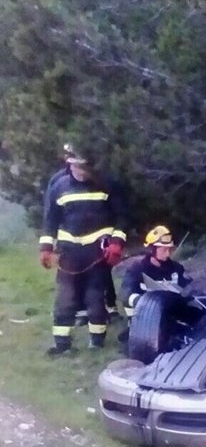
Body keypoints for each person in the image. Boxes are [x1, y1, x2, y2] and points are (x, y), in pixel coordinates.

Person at [39, 146, 127, 354]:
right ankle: (61, 345)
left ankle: (96, 342)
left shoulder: (106, 184)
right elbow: (50, 220)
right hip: (69, 252)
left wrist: (116, 242)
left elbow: (122, 217)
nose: (84, 172)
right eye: (79, 167)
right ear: (70, 163)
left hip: (97, 251)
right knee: (65, 297)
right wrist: (46, 247)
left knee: (95, 296)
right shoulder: (58, 186)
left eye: (87, 167)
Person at [119, 225, 191, 343]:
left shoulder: (176, 268)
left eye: (169, 250)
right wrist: (148, 303)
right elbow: (125, 295)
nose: (168, 254)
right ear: (151, 250)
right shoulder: (137, 269)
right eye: (164, 250)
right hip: (144, 320)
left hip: (171, 316)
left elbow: (188, 289)